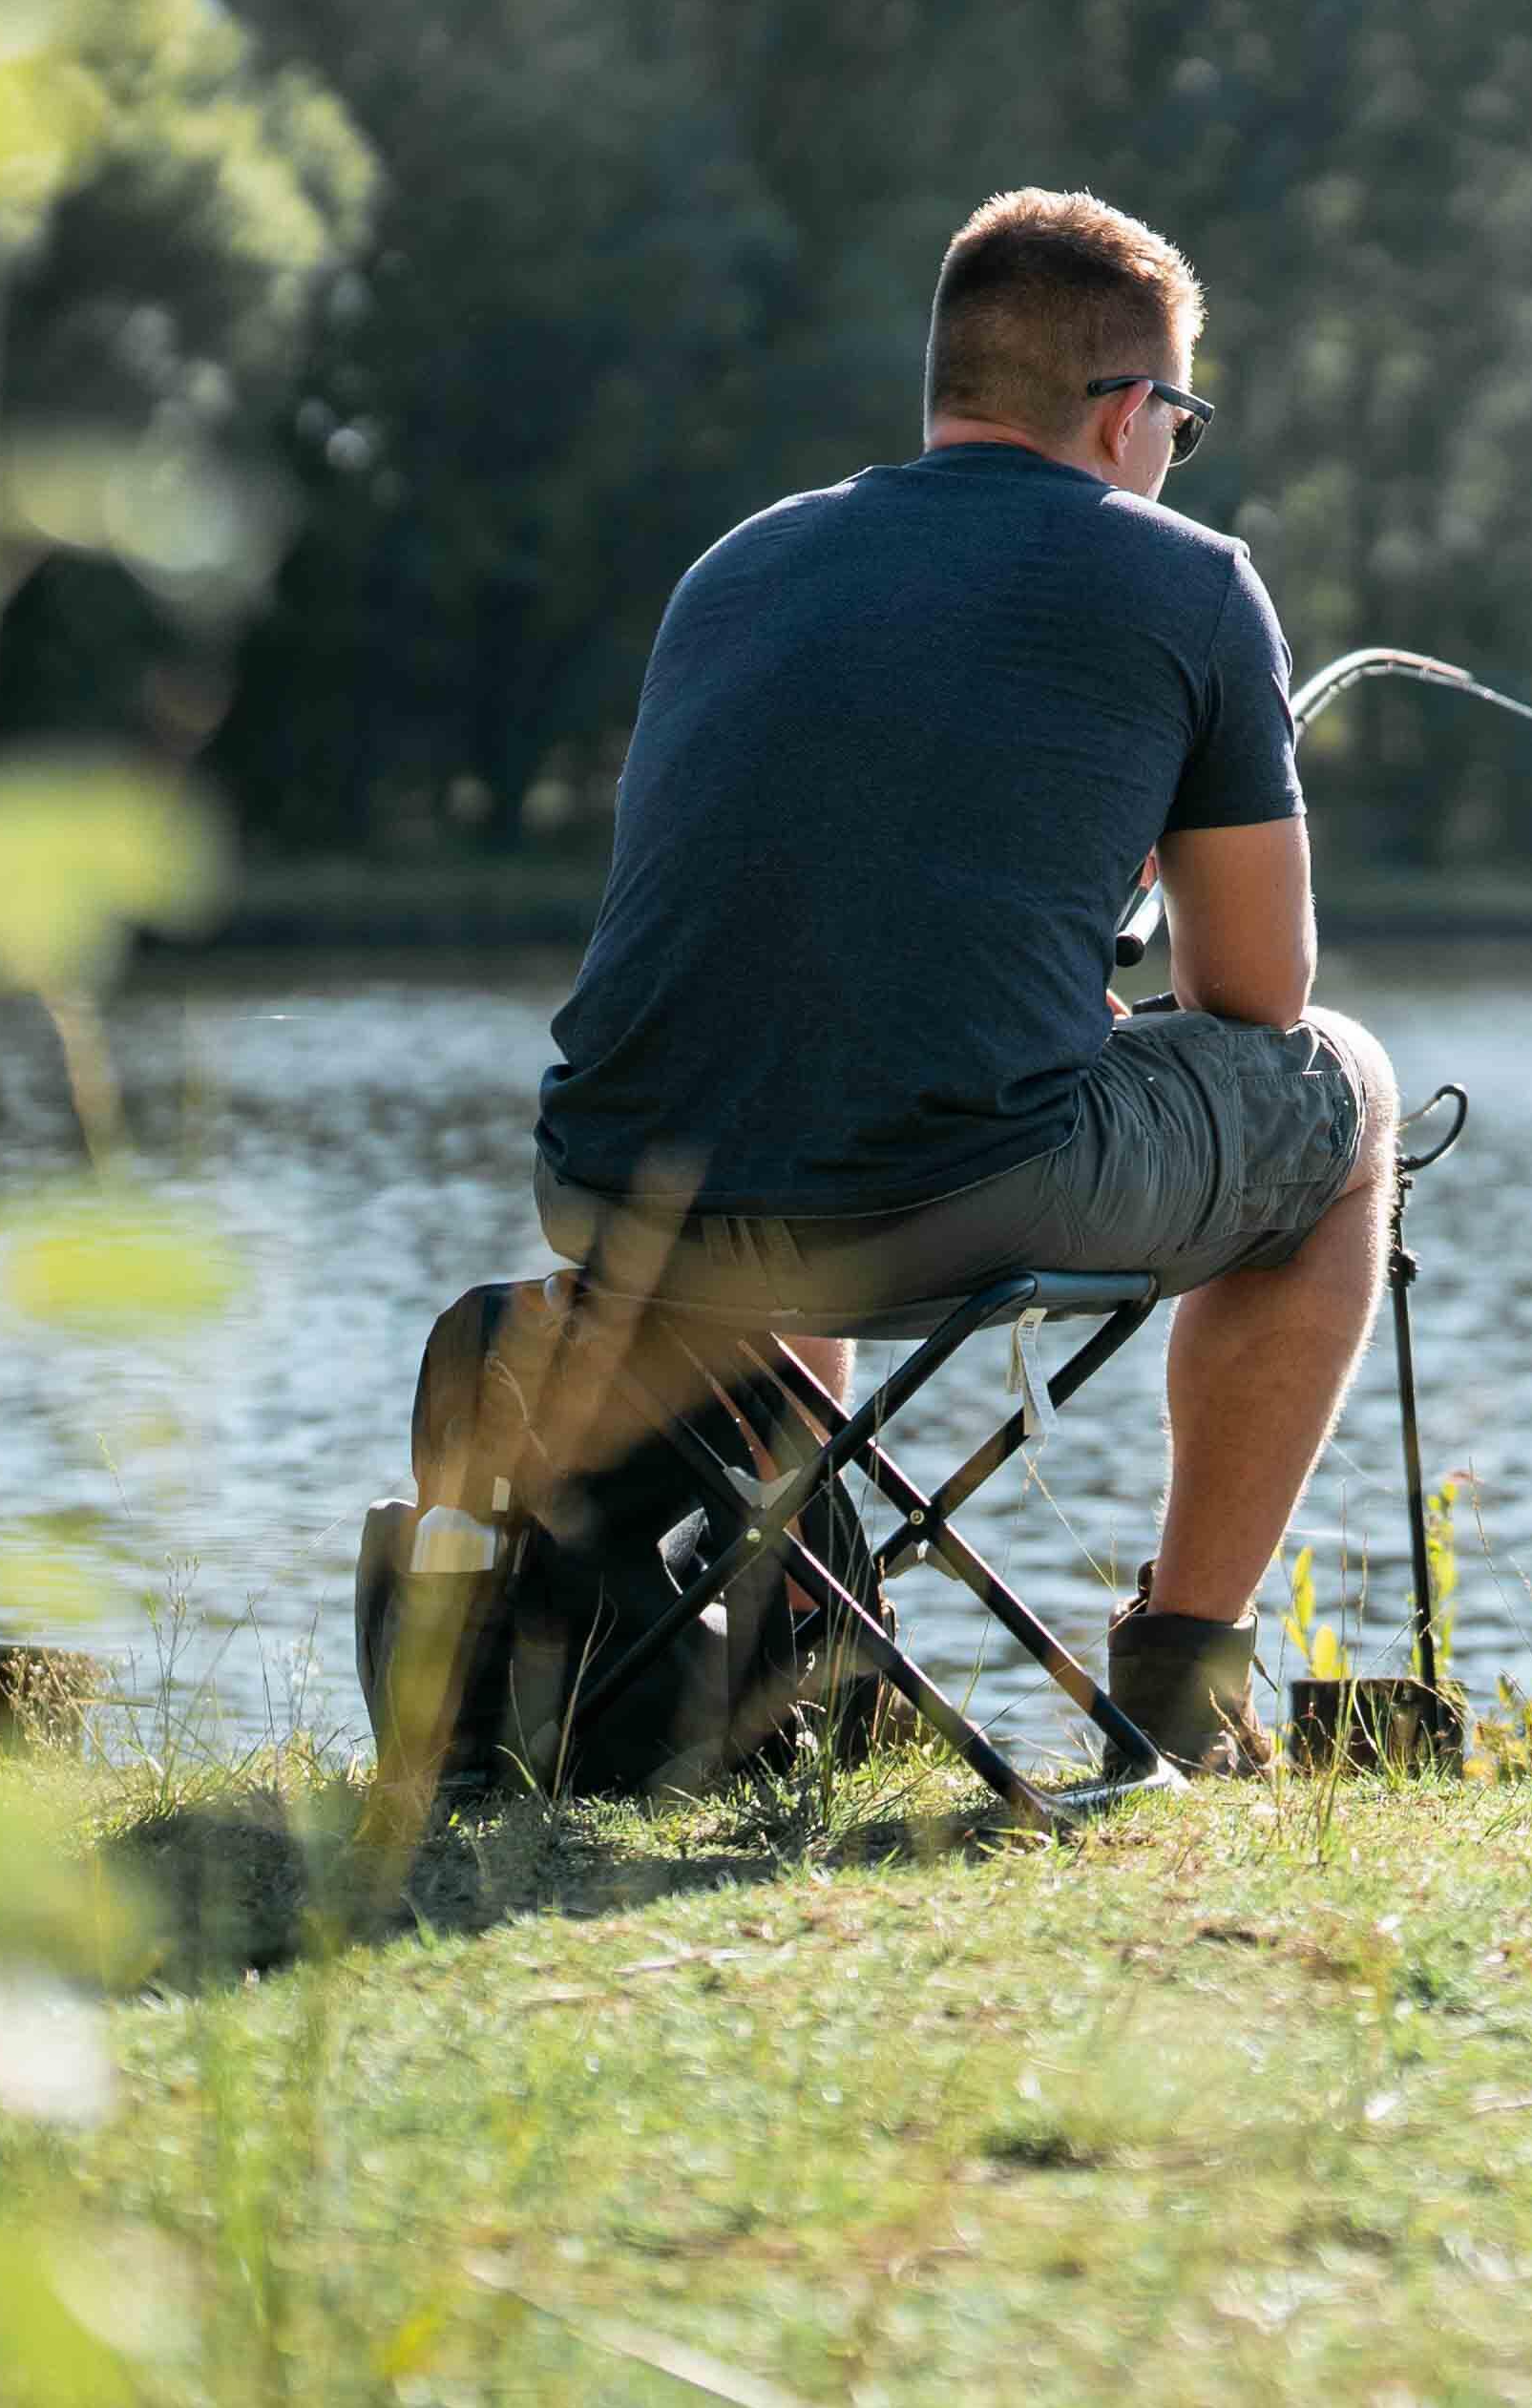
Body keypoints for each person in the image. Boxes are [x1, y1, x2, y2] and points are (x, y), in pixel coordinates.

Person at [530, 186, 1396, 1776]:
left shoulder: (739, 565)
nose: (1173, 456)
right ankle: (1184, 1690)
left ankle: (797, 1644)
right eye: (1179, 425)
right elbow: (1257, 992)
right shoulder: (1194, 583)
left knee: (816, 1080)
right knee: (1346, 1097)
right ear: (1130, 408)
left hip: (610, 1192)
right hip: (942, 1189)